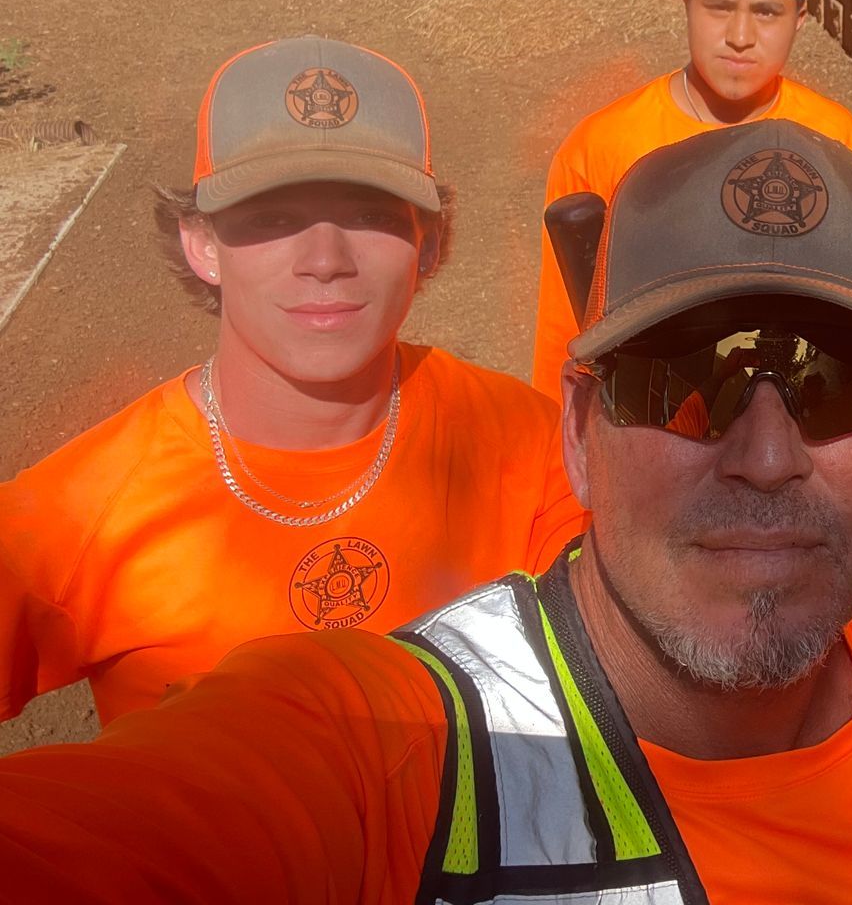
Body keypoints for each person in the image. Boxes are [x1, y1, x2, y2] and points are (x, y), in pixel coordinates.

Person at [0, 120, 852, 905]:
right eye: (682, 375)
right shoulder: (404, 750)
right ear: (577, 427)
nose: (767, 457)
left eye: (836, 383)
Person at [0, 37, 583, 725]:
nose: (326, 259)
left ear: (426, 243)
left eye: (371, 215)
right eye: (274, 219)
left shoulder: (526, 444)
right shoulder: (76, 516)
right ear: (203, 245)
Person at [530, 0, 852, 400]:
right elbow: (563, 332)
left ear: (800, 20)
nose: (739, 36)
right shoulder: (602, 144)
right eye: (719, 6)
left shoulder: (836, 141)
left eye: (766, 11)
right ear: (686, 4)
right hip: (646, 420)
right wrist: (559, 460)